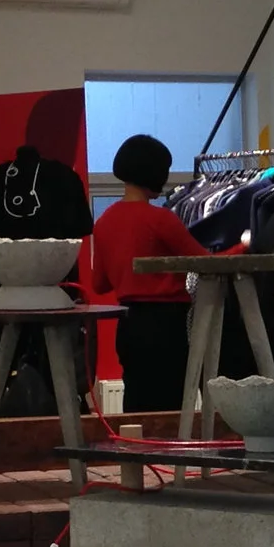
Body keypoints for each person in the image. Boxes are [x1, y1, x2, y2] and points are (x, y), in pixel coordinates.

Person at [81, 134, 207, 413]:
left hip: (129, 325)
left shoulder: (104, 222)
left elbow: (99, 284)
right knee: (170, 410)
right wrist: (242, 246)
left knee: (137, 405)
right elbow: (204, 262)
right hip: (166, 326)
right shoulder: (161, 219)